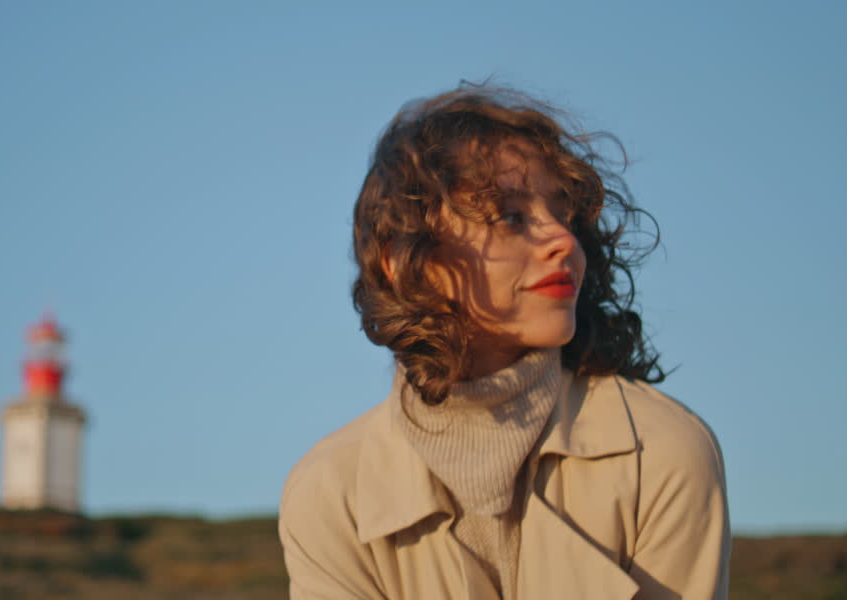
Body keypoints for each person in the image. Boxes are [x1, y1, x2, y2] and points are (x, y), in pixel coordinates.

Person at [279, 85, 730, 599]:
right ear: (407, 260)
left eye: (563, 215)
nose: (564, 239)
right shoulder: (331, 490)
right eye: (511, 217)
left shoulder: (660, 449)